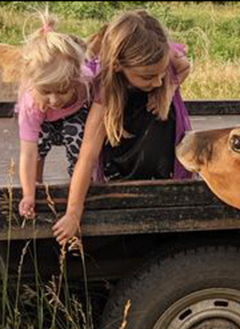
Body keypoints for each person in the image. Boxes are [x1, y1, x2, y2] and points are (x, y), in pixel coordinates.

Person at [52, 10, 192, 245]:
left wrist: (167, 91)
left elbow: (185, 67)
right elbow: (87, 155)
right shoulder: (106, 93)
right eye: (148, 76)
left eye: (160, 74)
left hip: (159, 139)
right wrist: (73, 213)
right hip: (126, 142)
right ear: (117, 66)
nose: (157, 81)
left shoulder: (163, 57)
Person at [17, 11, 98, 220]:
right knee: (39, 145)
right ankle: (37, 183)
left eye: (62, 90)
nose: (54, 100)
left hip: (74, 115)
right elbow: (28, 152)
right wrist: (27, 194)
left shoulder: (86, 81)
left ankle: (79, 184)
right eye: (47, 92)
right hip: (43, 120)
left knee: (78, 141)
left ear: (75, 80)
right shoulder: (32, 103)